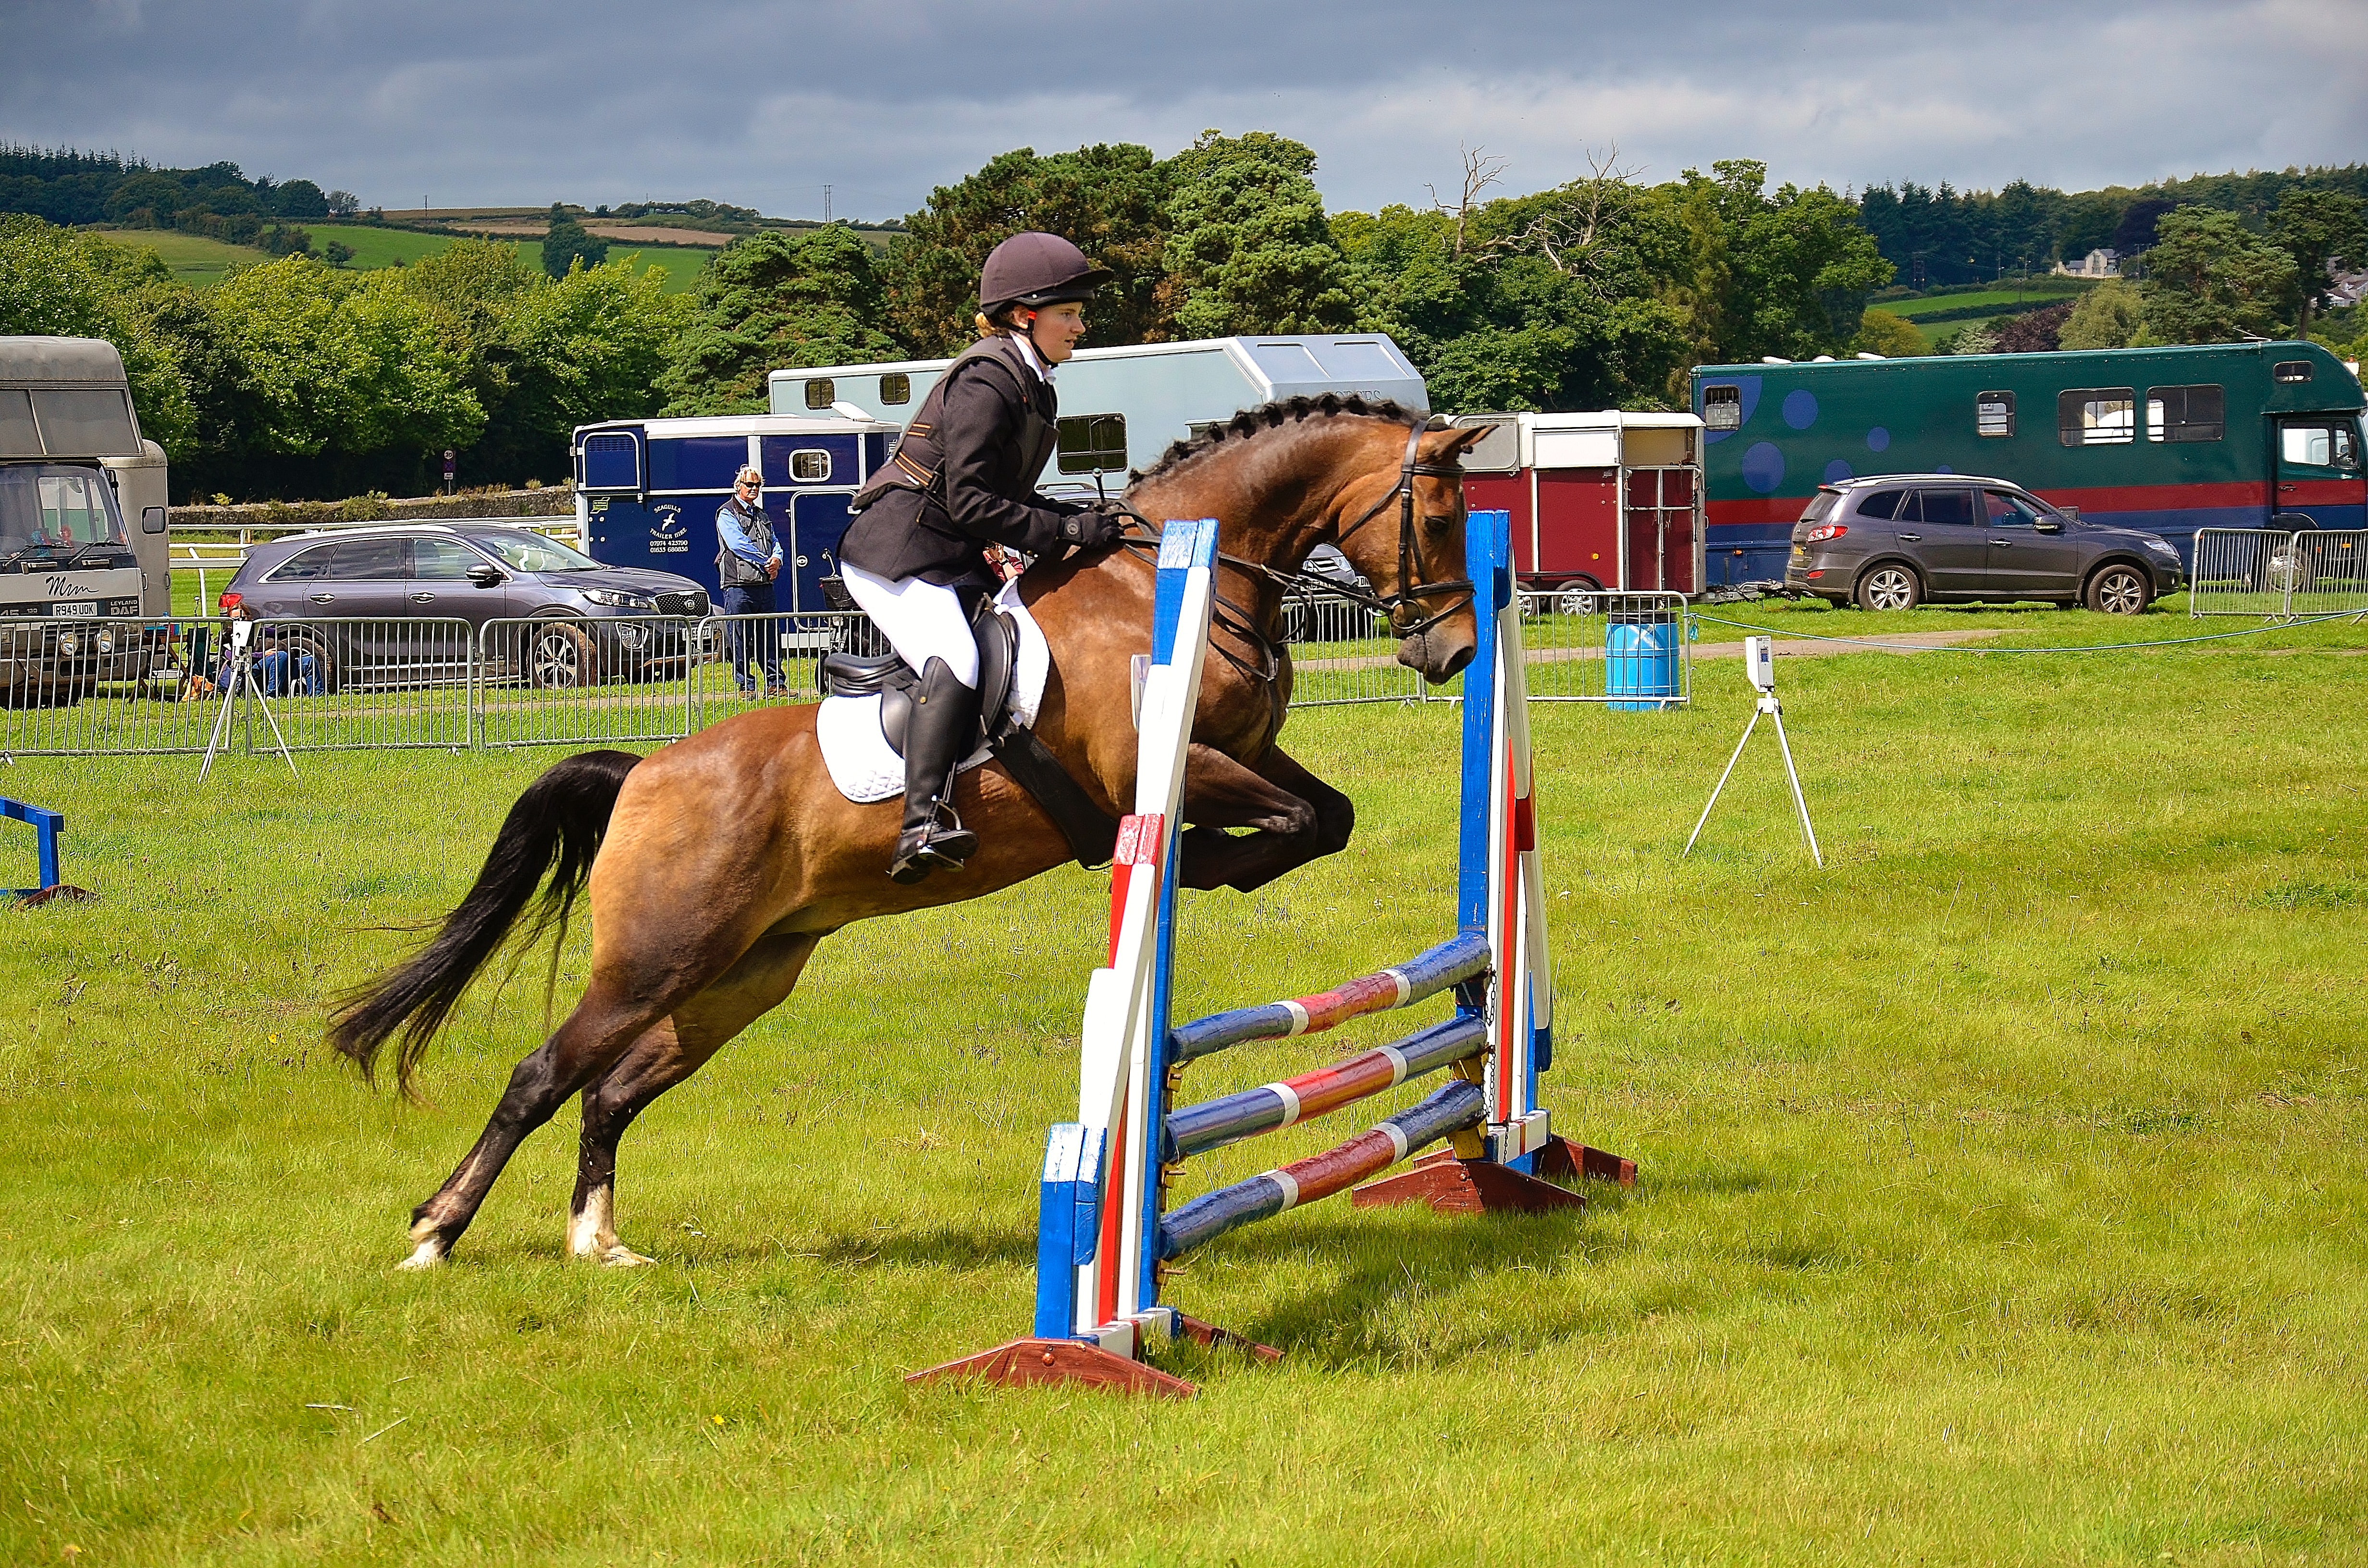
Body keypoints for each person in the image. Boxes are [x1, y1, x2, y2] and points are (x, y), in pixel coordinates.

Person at [839, 231, 1126, 883]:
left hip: (948, 554)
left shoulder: (1031, 381)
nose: (1081, 326)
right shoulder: (988, 379)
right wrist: (1063, 533)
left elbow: (1009, 497)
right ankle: (921, 825)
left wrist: (1085, 521)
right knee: (960, 658)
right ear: (1026, 314)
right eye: (1069, 314)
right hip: (899, 552)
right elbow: (972, 502)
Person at [715, 464, 786, 697]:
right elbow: (737, 544)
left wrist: (777, 559)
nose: (754, 489)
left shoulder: (762, 515)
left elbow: (775, 541)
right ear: (739, 487)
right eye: (750, 485)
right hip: (737, 586)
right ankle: (746, 686)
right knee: (740, 638)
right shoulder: (726, 513)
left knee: (770, 637)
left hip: (764, 586)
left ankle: (776, 684)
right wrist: (766, 561)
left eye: (758, 485)